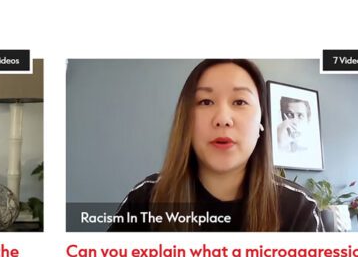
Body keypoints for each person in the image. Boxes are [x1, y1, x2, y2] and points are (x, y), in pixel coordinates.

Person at [109, 59, 322, 231]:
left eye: (239, 102)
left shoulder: (299, 210)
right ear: (186, 122)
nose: (222, 118)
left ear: (261, 123)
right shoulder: (146, 199)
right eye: (205, 102)